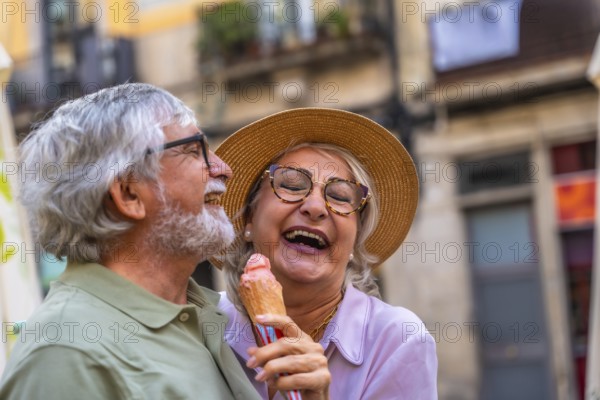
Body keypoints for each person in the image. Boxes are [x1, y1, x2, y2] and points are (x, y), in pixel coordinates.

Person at [0, 84, 329, 400]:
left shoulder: (215, 316)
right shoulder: (66, 356)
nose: (224, 169)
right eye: (193, 150)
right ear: (129, 193)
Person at [213, 108, 438, 399]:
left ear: (356, 242)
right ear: (248, 221)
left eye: (341, 197)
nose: (315, 207)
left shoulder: (397, 339)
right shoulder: (202, 326)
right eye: (292, 185)